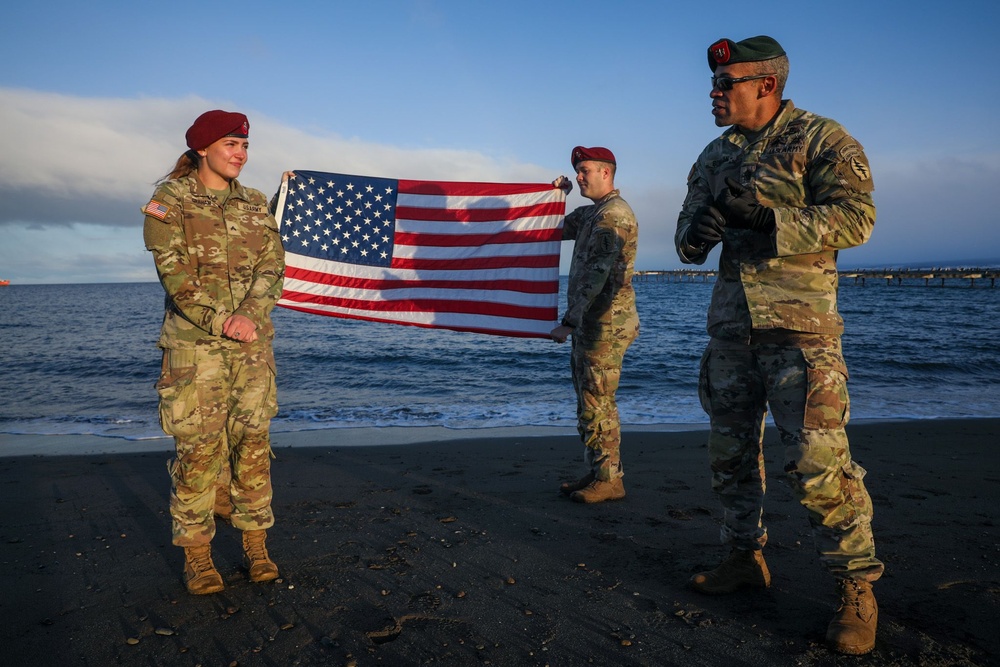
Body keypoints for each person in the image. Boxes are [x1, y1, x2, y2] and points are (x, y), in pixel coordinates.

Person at [674, 35, 883, 655]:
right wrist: (701, 232)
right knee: (730, 458)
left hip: (800, 333)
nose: (714, 93)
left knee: (819, 466)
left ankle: (856, 586)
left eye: (726, 83)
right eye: (714, 83)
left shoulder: (822, 139)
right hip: (733, 332)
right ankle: (743, 557)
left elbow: (857, 218)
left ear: (766, 84)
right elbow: (684, 240)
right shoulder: (712, 156)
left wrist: (770, 219)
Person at [142, 110, 286, 595]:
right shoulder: (171, 200)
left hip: (251, 349)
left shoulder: (256, 203)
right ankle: (200, 558)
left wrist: (248, 314)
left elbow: (274, 267)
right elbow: (173, 272)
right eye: (230, 145)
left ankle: (256, 548)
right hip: (194, 350)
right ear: (203, 147)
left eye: (244, 146)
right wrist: (222, 320)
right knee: (199, 452)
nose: (240, 154)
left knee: (252, 448)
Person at [551, 146, 639, 504]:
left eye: (585, 170)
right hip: (593, 323)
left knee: (598, 401)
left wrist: (569, 321)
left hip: (605, 325)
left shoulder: (613, 216)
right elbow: (552, 227)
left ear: (606, 172)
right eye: (577, 171)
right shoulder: (592, 213)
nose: (579, 176)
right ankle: (599, 469)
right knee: (588, 400)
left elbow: (596, 274)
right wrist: (555, 197)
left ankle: (610, 480)